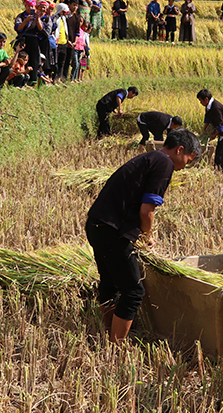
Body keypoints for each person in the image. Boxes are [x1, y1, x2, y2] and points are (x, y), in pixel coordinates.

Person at [85, 128, 201, 341]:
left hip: (96, 225)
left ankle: (109, 334)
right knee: (133, 293)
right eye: (188, 160)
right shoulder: (165, 163)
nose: (185, 166)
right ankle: (116, 345)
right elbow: (147, 210)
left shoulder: (149, 158)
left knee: (109, 284)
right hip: (113, 232)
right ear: (180, 149)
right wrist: (147, 237)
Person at [197, 88, 223, 170]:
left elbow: (220, 124)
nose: (200, 103)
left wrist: (214, 135)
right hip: (222, 132)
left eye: (201, 101)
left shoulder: (216, 107)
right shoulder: (208, 106)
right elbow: (207, 118)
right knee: (219, 152)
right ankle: (217, 168)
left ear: (206, 99)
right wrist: (204, 129)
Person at [14, 0, 48, 85]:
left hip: (34, 40)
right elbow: (18, 28)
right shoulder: (21, 16)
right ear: (25, 6)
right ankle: (21, 80)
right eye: (29, 6)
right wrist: (26, 21)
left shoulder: (37, 17)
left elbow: (41, 29)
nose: (31, 8)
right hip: (24, 39)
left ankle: (32, 80)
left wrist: (37, 19)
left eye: (32, 6)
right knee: (23, 59)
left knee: (34, 60)